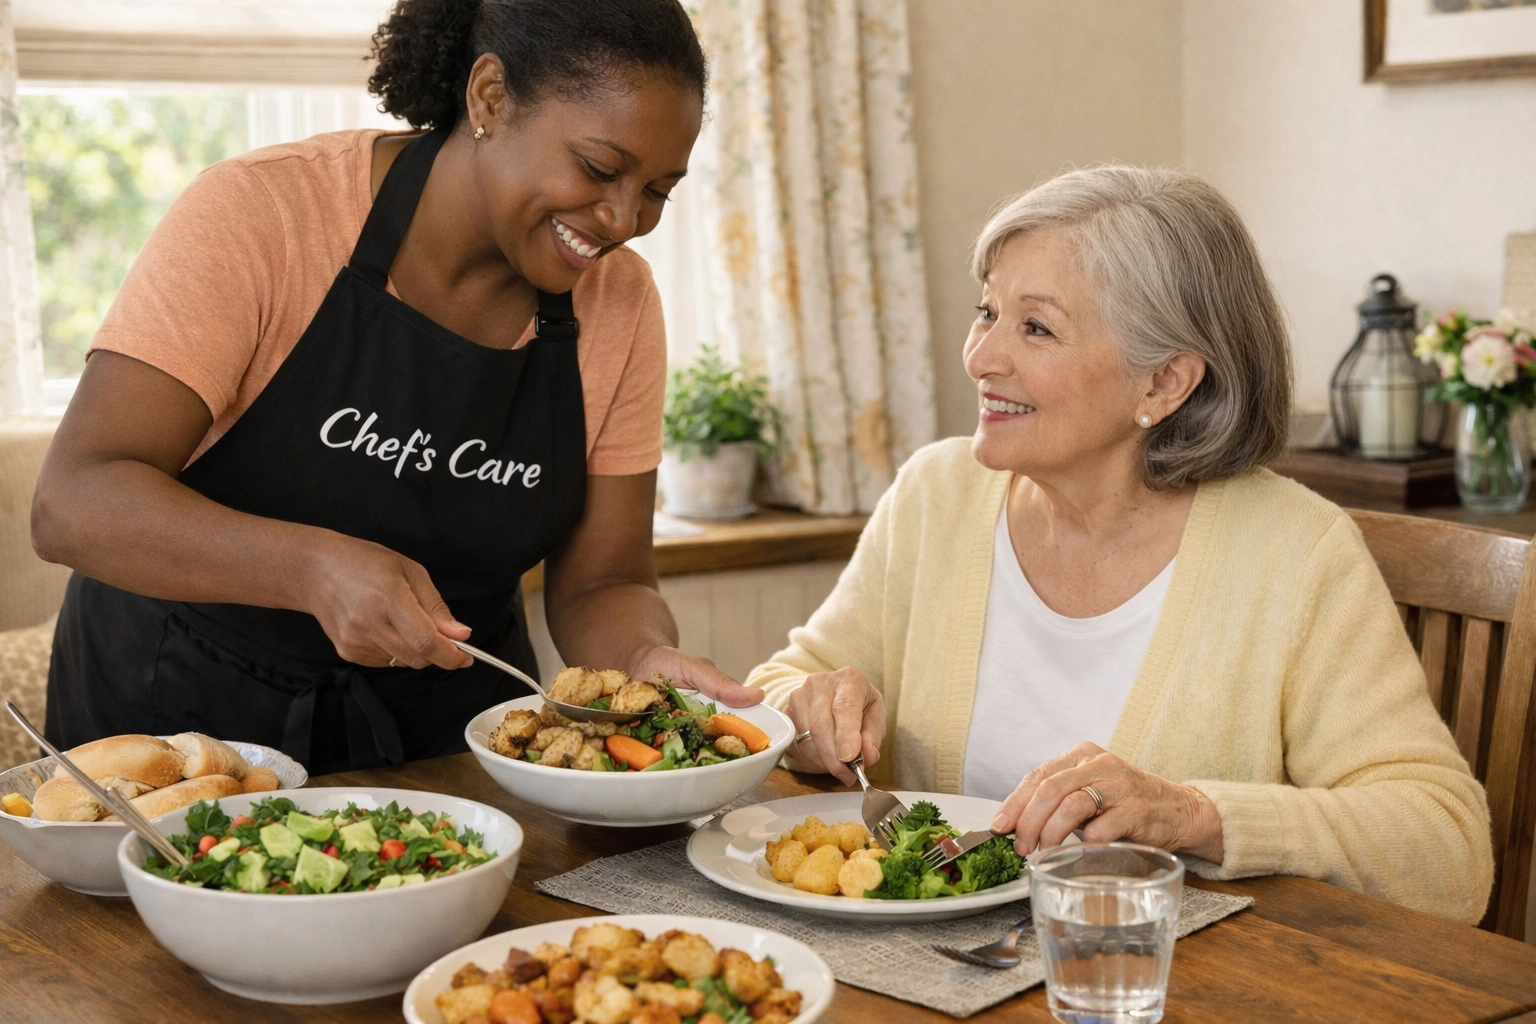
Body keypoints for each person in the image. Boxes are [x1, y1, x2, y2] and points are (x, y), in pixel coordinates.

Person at [746, 166, 1494, 923]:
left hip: (1153, 973)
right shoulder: (935, 496)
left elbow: (1450, 849)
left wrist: (1194, 814)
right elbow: (781, 686)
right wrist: (807, 715)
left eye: (1036, 328)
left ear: (1164, 382)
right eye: (988, 312)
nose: (980, 357)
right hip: (922, 965)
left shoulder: (1298, 552)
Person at [32, 0, 759, 776]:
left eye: (658, 191)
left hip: (445, 743)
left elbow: (605, 579)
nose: (621, 219)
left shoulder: (621, 303)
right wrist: (311, 568)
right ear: (489, 97)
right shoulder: (264, 213)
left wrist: (643, 660)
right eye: (600, 169)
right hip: (181, 726)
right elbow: (73, 501)